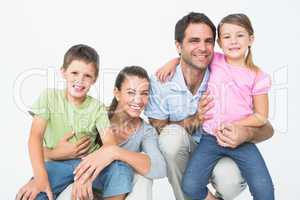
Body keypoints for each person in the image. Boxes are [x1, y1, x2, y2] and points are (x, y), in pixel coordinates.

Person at [145, 12, 274, 200]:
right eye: (194, 41)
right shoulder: (165, 80)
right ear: (179, 46)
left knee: (256, 185)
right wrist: (173, 62)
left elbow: (264, 122)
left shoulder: (236, 70)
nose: (203, 48)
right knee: (182, 166)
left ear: (251, 39)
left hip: (234, 141)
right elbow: (158, 129)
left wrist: (244, 131)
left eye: (208, 41)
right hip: (206, 142)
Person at [16, 44, 135, 200]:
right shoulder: (49, 98)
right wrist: (39, 177)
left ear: (95, 79)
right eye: (74, 73)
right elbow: (35, 137)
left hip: (88, 163)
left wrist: (86, 174)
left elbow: (109, 145)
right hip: (57, 165)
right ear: (63, 72)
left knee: (121, 169)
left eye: (87, 76)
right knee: (31, 194)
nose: (80, 80)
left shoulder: (97, 107)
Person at [67, 66, 166, 200]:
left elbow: (159, 168)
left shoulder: (146, 131)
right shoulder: (97, 115)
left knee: (144, 179)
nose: (138, 100)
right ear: (117, 93)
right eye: (131, 92)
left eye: (144, 93)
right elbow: (59, 153)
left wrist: (114, 152)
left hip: (118, 191)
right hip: (83, 187)